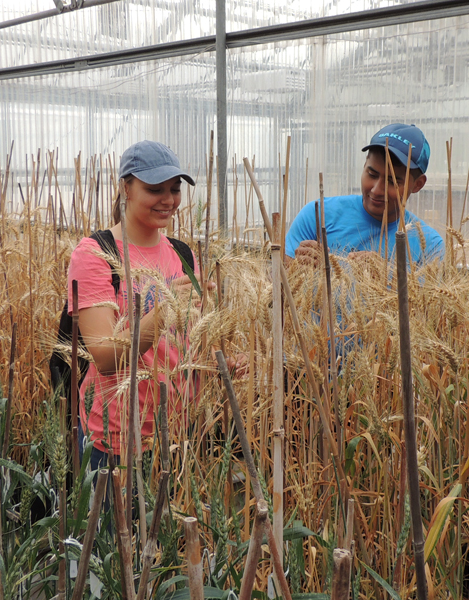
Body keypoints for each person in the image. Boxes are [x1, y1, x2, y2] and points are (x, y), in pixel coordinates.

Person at [67, 140, 243, 470]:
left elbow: (188, 345)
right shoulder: (94, 254)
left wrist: (226, 363)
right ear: (126, 188)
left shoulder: (184, 254)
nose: (168, 200)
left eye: (174, 189)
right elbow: (106, 358)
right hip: (117, 438)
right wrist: (165, 309)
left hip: (180, 433)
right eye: (154, 189)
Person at [285, 124, 444, 266]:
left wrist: (388, 280)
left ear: (418, 184)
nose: (376, 190)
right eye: (372, 174)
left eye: (392, 181)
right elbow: (274, 286)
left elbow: (429, 298)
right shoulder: (317, 215)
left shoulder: (430, 246)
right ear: (364, 166)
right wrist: (294, 269)